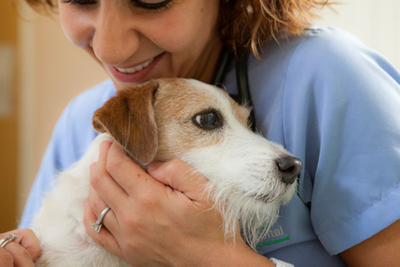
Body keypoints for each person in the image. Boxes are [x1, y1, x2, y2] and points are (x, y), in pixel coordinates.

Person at [2, 0, 400, 266]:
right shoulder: (80, 125)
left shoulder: (329, 79)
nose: (110, 48)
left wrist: (209, 255)